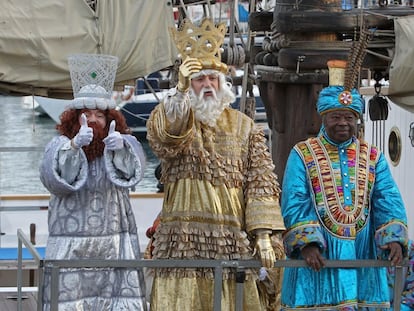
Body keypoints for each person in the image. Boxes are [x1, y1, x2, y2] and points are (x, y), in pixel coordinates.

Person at [146, 18, 285, 310]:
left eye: (212, 79)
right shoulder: (175, 114)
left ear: (223, 84)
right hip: (181, 240)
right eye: (199, 79)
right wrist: (181, 90)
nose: (207, 84)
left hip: (231, 238)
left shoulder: (245, 127)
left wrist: (262, 235)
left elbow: (261, 184)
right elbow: (167, 137)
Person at [280, 59, 409, 310]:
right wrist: (307, 243)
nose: (343, 123)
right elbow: (294, 200)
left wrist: (393, 238)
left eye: (349, 117)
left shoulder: (372, 156)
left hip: (364, 253)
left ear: (357, 120)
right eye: (336, 117)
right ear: (324, 118)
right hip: (318, 258)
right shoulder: (303, 153)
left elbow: (387, 198)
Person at [39, 53, 148, 310]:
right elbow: (53, 180)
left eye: (99, 115)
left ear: (110, 119)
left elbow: (133, 174)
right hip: (72, 246)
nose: (93, 120)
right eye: (86, 114)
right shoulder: (59, 145)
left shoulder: (124, 143)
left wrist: (121, 148)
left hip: (113, 245)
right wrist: (74, 147)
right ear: (74, 119)